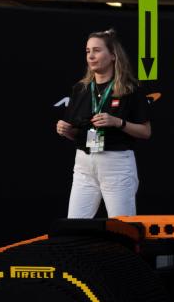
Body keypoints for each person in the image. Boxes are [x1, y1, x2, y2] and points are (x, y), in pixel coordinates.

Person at [55, 28, 152, 217]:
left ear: (113, 55)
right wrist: (65, 130)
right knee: (75, 225)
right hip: (84, 162)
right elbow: (75, 133)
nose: (91, 56)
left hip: (116, 163)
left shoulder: (130, 89)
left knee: (122, 227)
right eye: (88, 51)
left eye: (97, 50)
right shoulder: (81, 88)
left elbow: (146, 132)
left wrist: (118, 122)